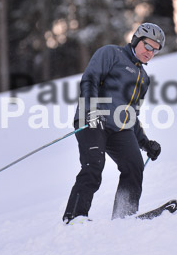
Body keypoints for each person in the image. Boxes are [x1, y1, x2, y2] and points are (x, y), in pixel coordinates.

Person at [62, 23, 164, 224]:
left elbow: (131, 113)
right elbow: (90, 79)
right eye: (147, 46)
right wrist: (92, 110)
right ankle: (74, 217)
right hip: (92, 119)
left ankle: (124, 215)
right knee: (94, 164)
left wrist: (145, 143)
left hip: (119, 128)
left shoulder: (143, 79)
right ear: (136, 40)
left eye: (155, 50)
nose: (150, 52)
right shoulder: (111, 53)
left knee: (134, 166)